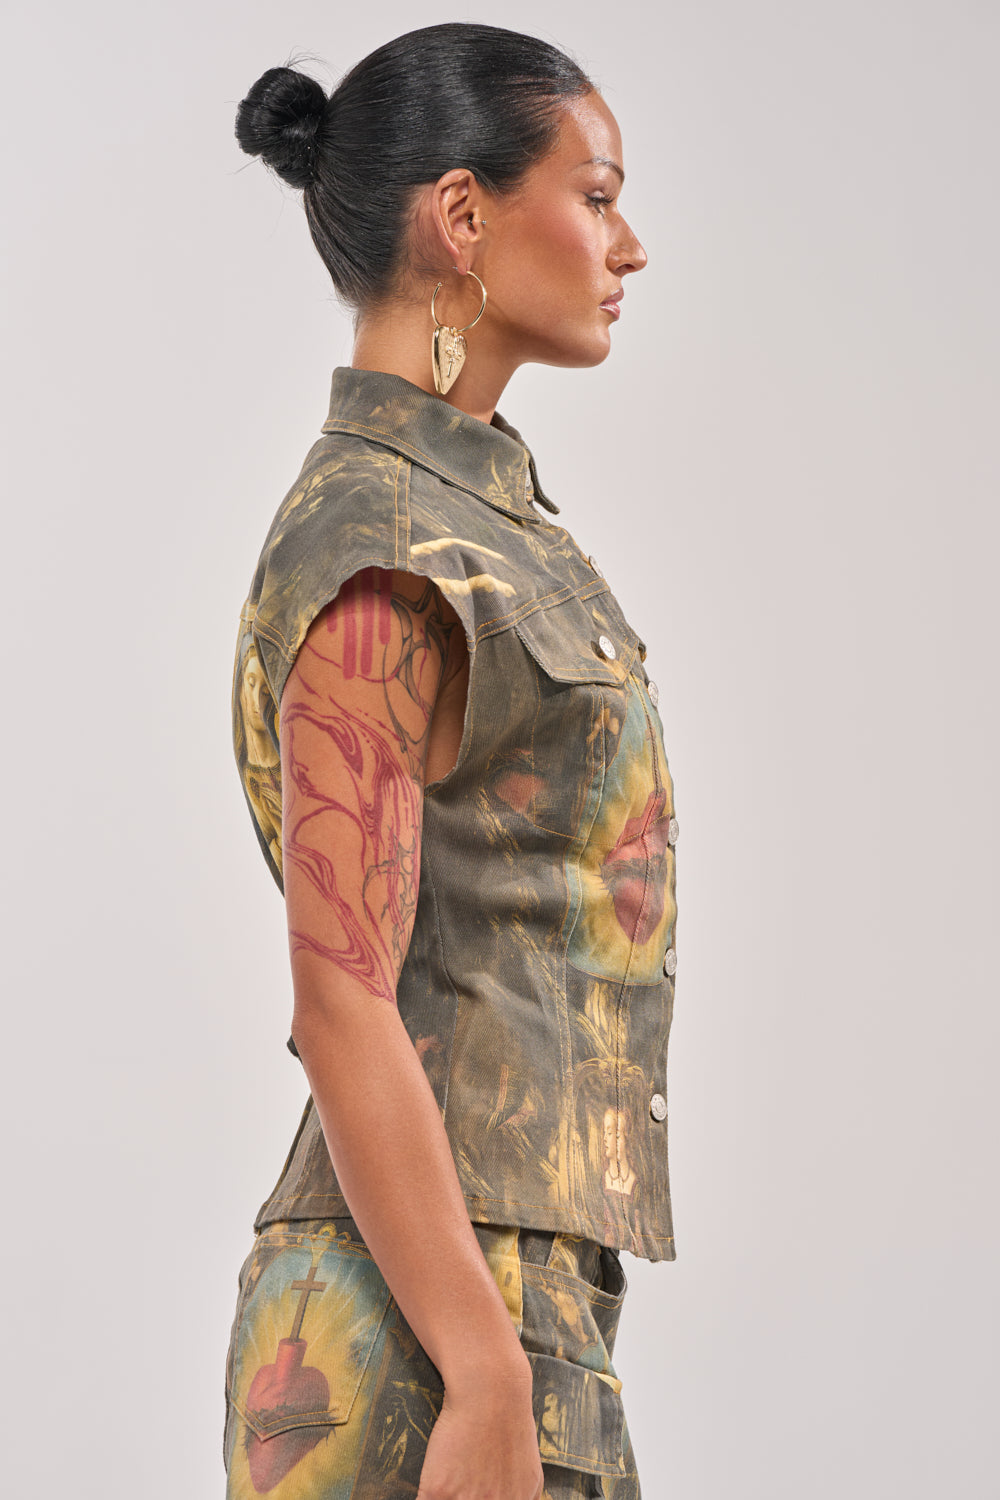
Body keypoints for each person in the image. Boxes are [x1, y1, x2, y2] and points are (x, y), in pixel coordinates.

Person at [225, 22, 680, 1500]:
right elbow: (341, 997)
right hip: (427, 1326)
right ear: (464, 217)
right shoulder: (383, 541)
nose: (629, 245)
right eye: (596, 197)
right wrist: (485, 1373)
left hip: (500, 1298)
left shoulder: (478, 526)